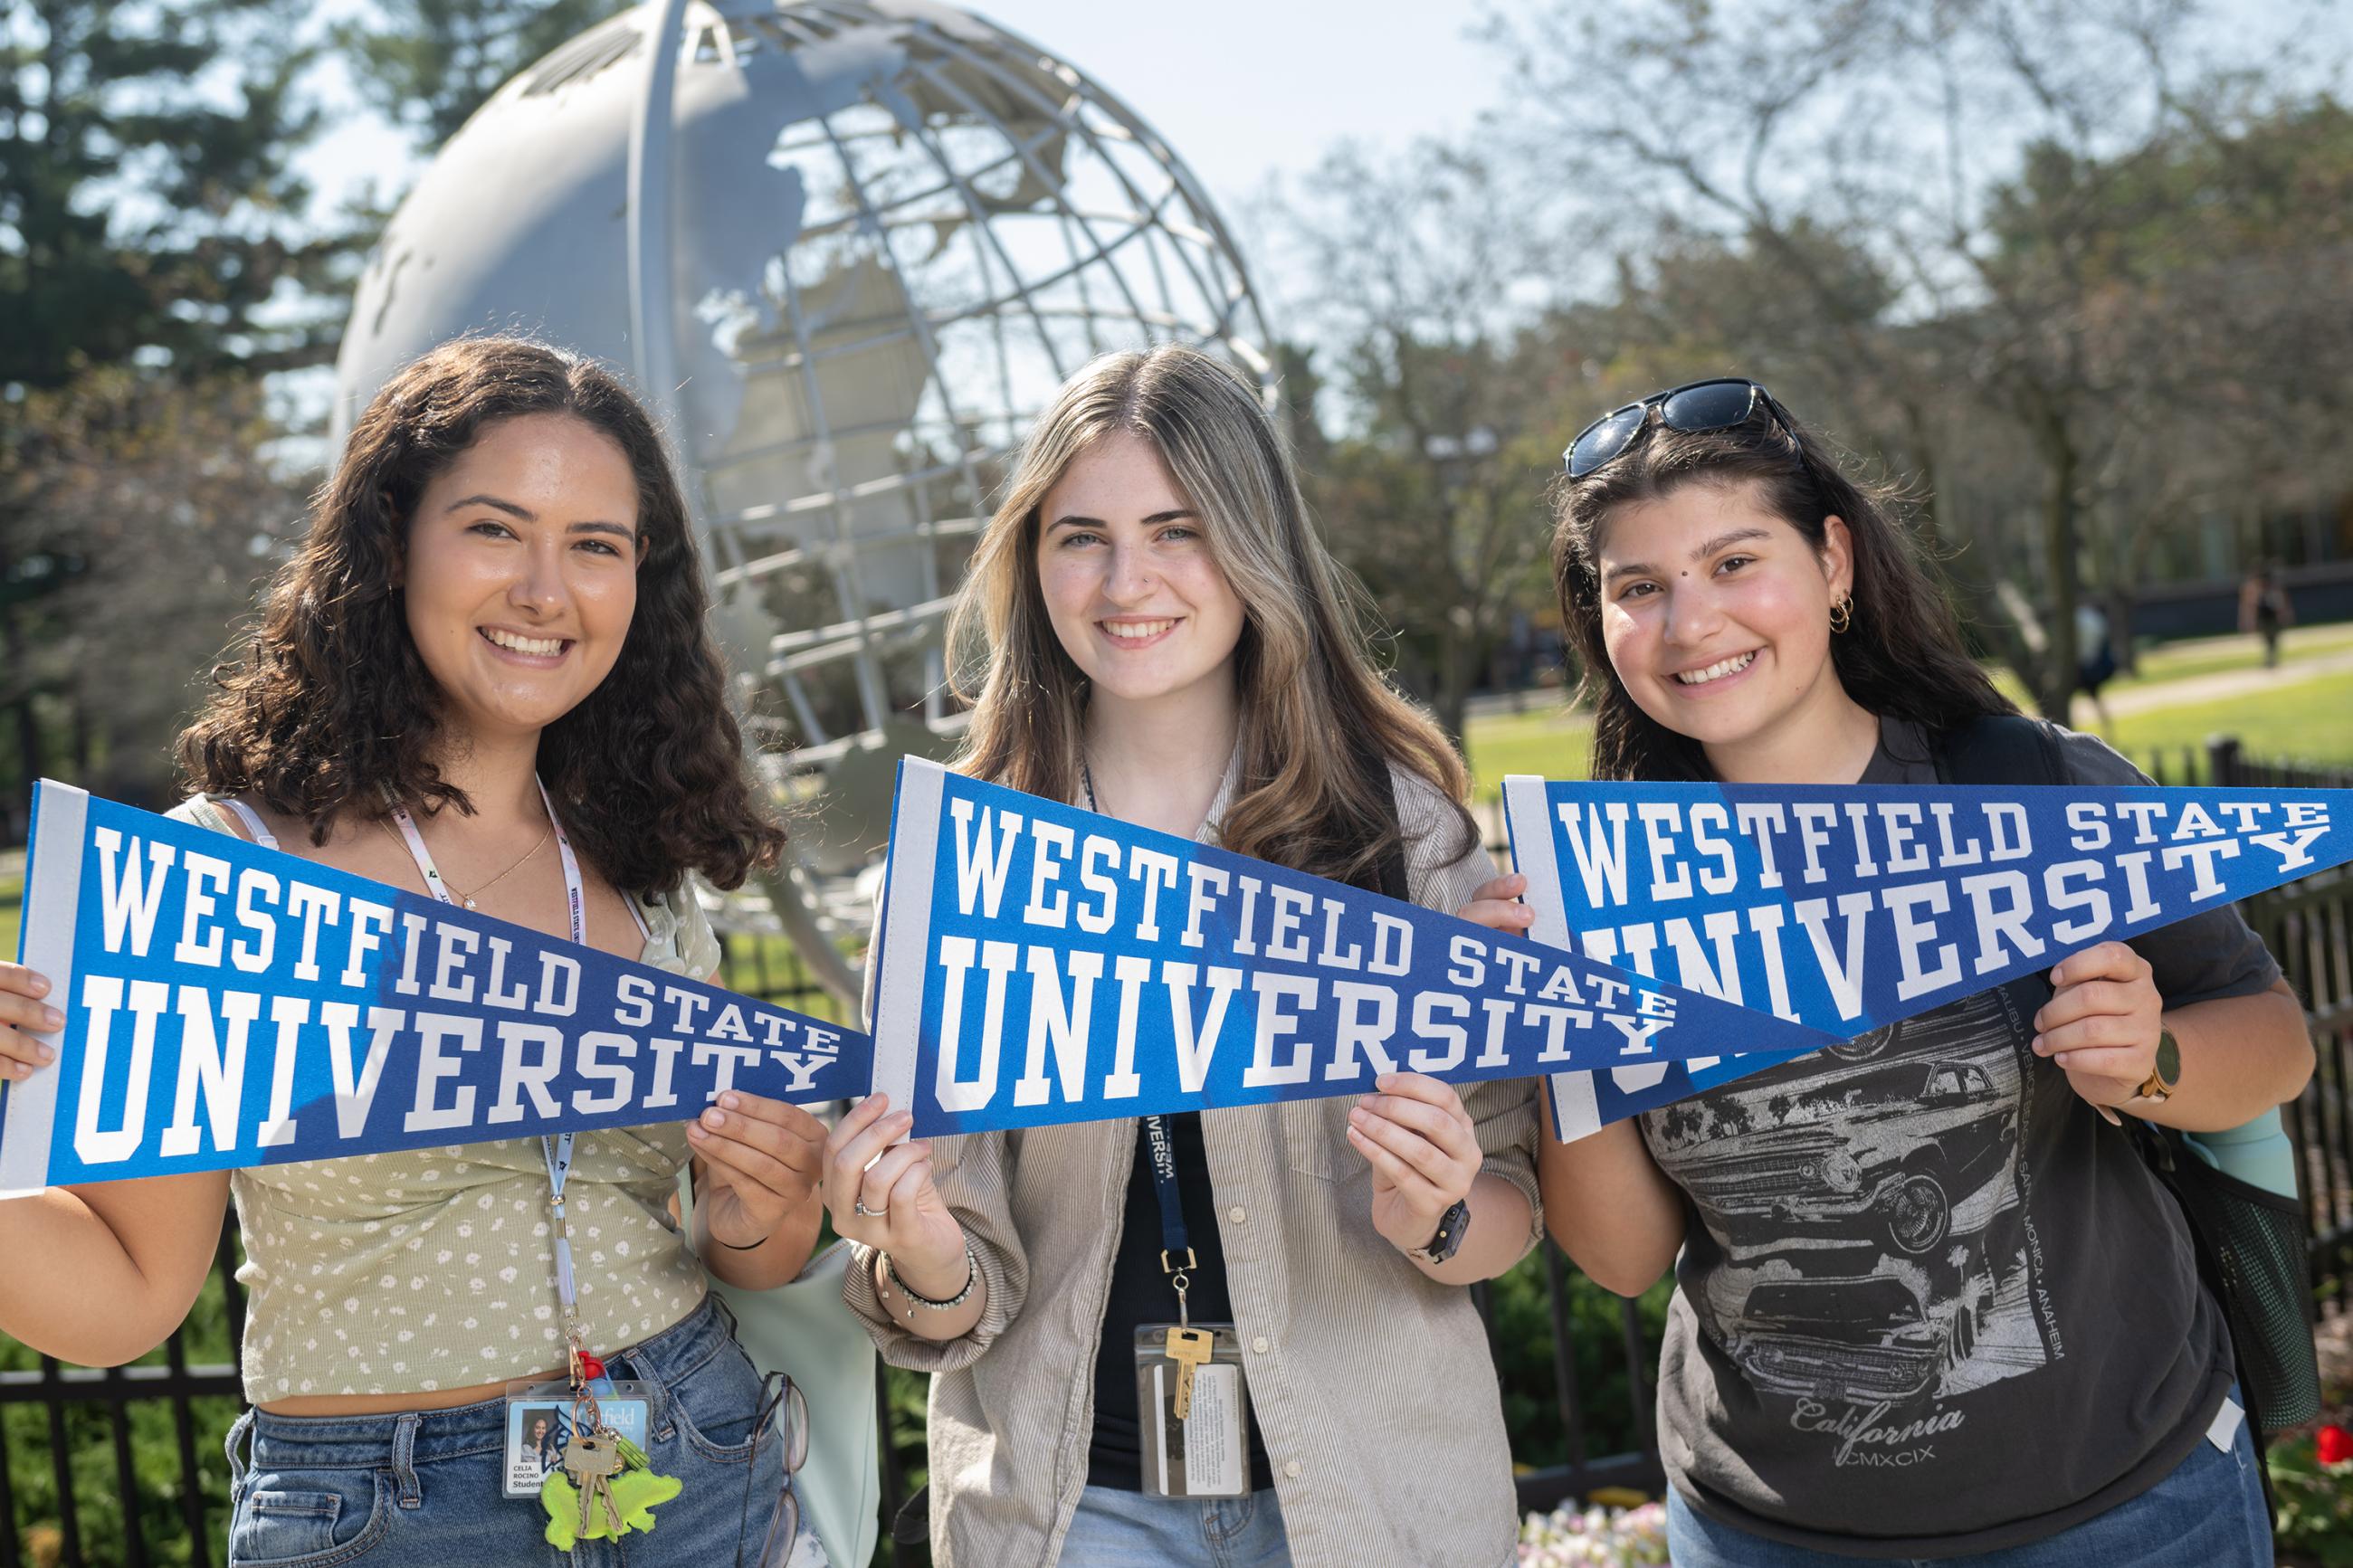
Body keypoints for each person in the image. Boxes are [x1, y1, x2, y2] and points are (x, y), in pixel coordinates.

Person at [0, 337, 833, 1566]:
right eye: (497, 529)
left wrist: (778, 1200)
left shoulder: (638, 856)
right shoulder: (227, 874)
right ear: (393, 543)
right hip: (385, 1518)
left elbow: (737, 1252)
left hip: (697, 1467)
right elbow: (126, 1299)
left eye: (597, 545)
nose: (548, 589)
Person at [1459, 378, 2312, 1566]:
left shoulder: (2032, 789)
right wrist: (1564, 1034)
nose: (1689, 621)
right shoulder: (1596, 886)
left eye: (1733, 561)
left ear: (1835, 562)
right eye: (1637, 588)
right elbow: (1624, 1256)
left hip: (2132, 1510)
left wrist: (2153, 1057)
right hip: (1770, 1534)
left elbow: (2278, 1041)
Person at [820, 346, 1543, 1568]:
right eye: (1080, 535)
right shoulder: (961, 867)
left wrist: (1441, 1206)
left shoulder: (1404, 835)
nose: (1126, 581)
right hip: (1072, 1515)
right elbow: (955, 1298)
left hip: (1381, 1505)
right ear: (1031, 558)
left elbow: (1509, 1211)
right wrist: (922, 1250)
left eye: (1177, 529)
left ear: (1256, 546)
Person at [2240, 562, 2295, 668]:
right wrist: (2249, 621)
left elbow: (2281, 604)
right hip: (2264, 619)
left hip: (2272, 618)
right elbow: (2251, 607)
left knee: (2273, 640)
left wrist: (2285, 615)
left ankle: (2271, 659)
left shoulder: (2273, 588)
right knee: (2267, 640)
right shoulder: (2255, 589)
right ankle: (2270, 659)